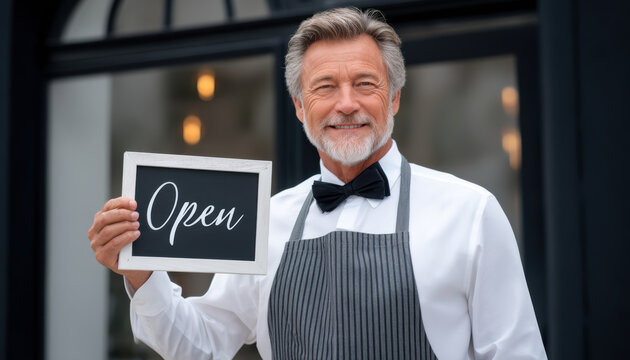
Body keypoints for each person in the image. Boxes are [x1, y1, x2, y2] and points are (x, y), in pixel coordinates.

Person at [88, 7, 546, 360]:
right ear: (299, 107)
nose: (346, 104)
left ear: (395, 98)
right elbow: (201, 345)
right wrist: (141, 272)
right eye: (325, 87)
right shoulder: (267, 221)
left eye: (365, 83)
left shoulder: (469, 212)